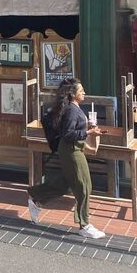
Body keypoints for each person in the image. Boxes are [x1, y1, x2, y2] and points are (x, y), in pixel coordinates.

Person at [26, 78, 105, 239]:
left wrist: (87, 130)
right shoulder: (71, 110)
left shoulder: (74, 108)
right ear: (72, 93)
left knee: (64, 184)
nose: (84, 92)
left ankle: (36, 198)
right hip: (71, 151)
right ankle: (84, 225)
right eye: (81, 90)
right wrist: (89, 133)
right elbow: (68, 134)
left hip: (74, 148)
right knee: (84, 185)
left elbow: (70, 131)